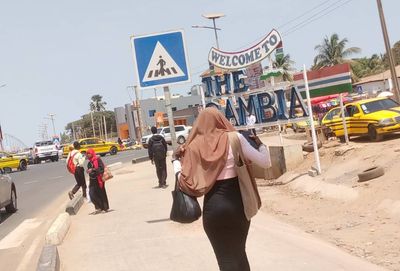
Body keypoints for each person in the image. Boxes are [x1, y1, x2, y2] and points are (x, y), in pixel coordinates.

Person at [172, 107, 271, 271]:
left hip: (213, 211)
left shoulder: (194, 146)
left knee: (225, 260)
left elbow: (184, 181)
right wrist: (261, 145)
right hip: (239, 208)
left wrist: (175, 160)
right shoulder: (235, 138)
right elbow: (265, 162)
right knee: (239, 254)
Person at [86, 148, 109, 214]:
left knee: (101, 193)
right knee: (92, 194)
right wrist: (88, 171)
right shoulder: (89, 162)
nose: (88, 155)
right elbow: (89, 170)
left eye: (89, 153)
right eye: (87, 153)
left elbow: (101, 169)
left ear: (92, 153)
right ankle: (99, 207)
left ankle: (105, 208)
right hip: (92, 180)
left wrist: (93, 170)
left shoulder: (98, 159)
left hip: (99, 179)